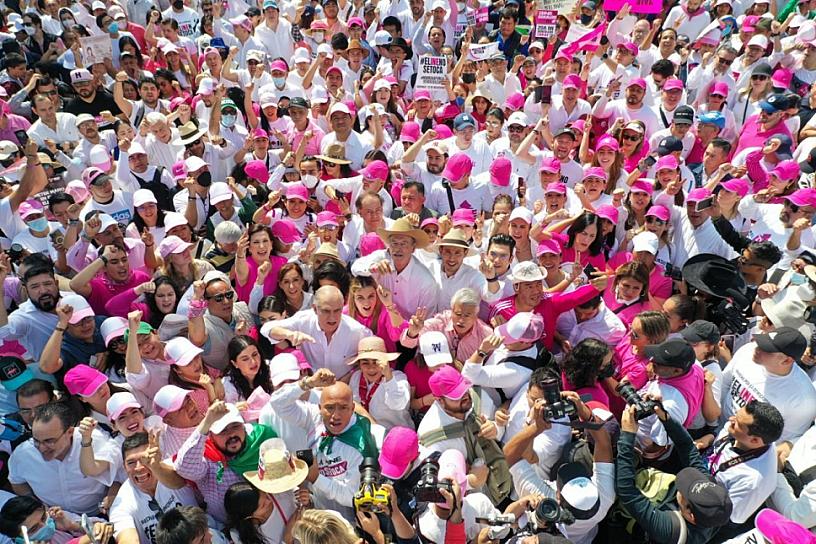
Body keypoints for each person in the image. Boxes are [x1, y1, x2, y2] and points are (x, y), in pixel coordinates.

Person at [266, 368, 379, 521]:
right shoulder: (314, 417)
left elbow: (352, 496)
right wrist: (308, 383)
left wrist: (316, 478)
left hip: (348, 520)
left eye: (343, 408)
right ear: (320, 408)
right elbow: (277, 402)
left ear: (353, 408)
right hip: (317, 508)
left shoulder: (361, 444)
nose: (336, 416)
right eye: (330, 408)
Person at [617, 403, 734, 544]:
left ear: (690, 516)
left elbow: (627, 492)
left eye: (684, 490)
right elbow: (688, 448)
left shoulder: (669, 530)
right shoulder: (712, 497)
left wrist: (627, 437)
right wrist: (665, 417)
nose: (683, 484)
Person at [8, 401, 121, 515]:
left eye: (49, 441)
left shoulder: (95, 440)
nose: (42, 448)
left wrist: (112, 495)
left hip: (99, 515)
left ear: (69, 432)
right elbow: (17, 481)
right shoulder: (22, 455)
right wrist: (36, 507)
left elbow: (118, 474)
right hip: (52, 522)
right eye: (36, 441)